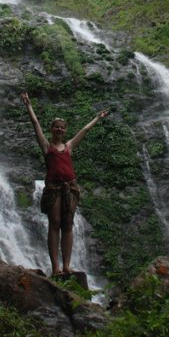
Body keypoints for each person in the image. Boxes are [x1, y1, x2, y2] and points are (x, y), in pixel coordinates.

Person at [21, 92, 108, 277]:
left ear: (65, 130)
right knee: (55, 223)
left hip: (70, 188)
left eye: (62, 127)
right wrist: (28, 105)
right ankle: (55, 268)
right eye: (56, 127)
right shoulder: (46, 146)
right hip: (54, 188)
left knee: (68, 224)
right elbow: (35, 124)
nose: (59, 129)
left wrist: (97, 118)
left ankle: (67, 266)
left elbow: (84, 130)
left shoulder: (69, 146)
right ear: (51, 129)